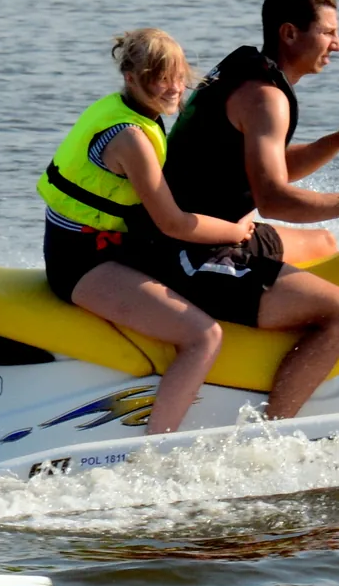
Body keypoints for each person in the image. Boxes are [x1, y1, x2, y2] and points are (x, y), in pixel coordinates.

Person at [151, 0, 339, 420]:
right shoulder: (266, 97)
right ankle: (274, 430)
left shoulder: (251, 75)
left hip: (225, 233)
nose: (338, 45)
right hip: (196, 252)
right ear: (290, 33)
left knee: (325, 244)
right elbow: (274, 200)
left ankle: (295, 345)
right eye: (328, 33)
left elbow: (269, 167)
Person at [38, 28, 257, 434]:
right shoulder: (131, 138)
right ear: (131, 78)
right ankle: (157, 447)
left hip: (103, 246)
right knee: (203, 336)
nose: (174, 88)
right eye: (160, 78)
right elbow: (172, 222)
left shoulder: (126, 111)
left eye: (178, 76)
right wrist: (234, 230)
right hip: (82, 264)